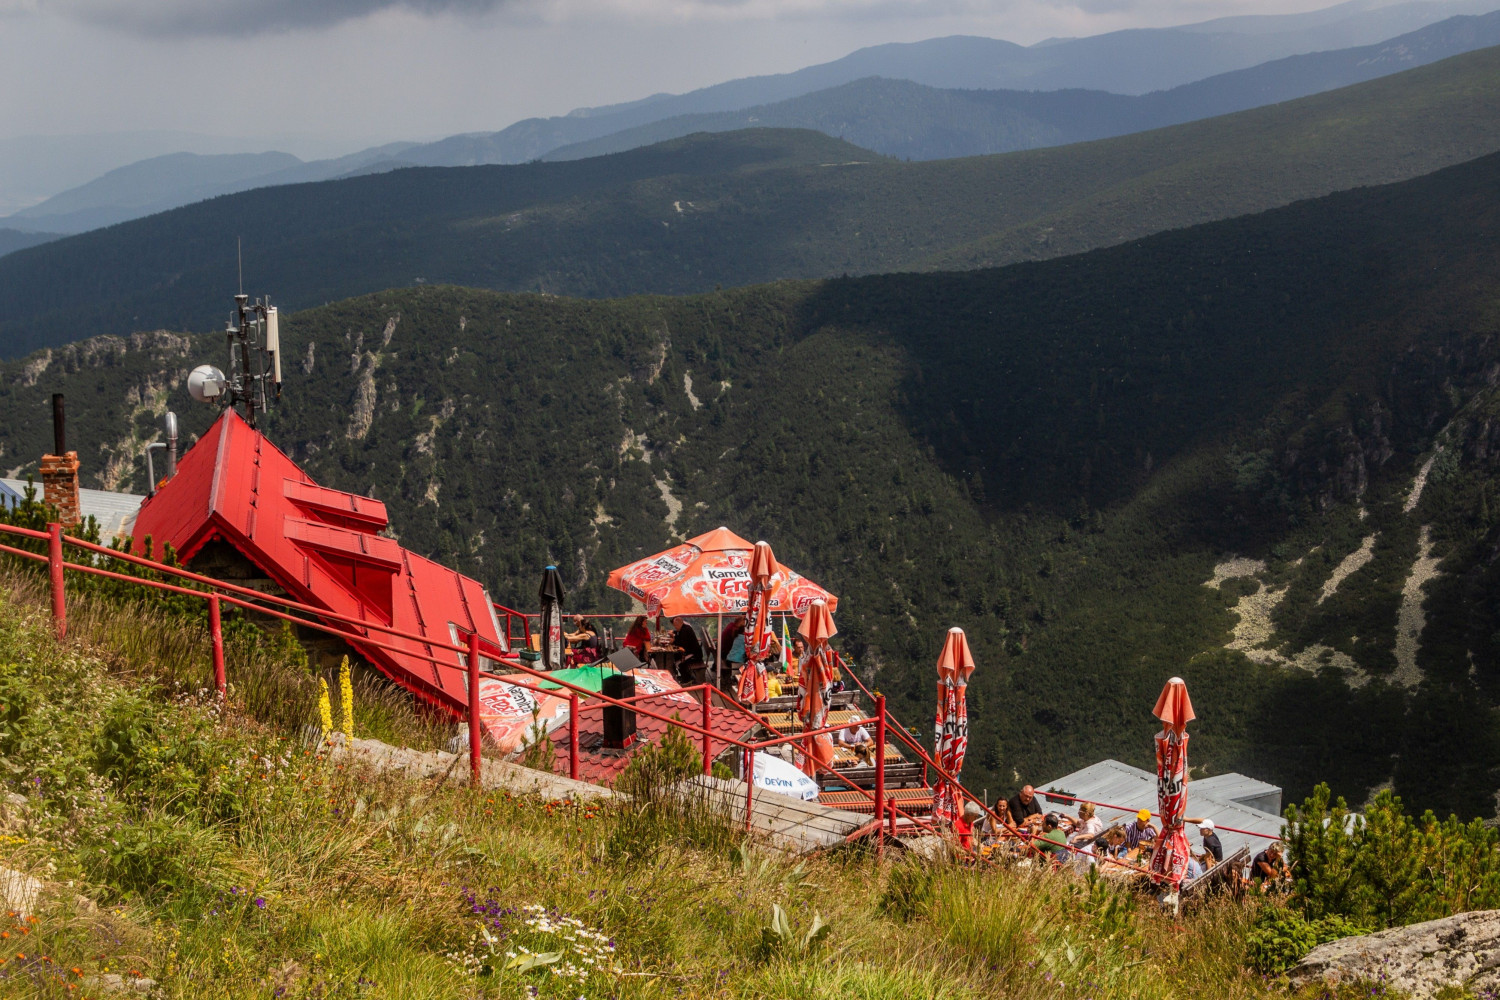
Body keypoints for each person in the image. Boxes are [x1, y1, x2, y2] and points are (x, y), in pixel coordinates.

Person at [671, 616, 704, 683]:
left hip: (694, 655)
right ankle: (685, 676)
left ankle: (686, 679)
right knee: (675, 656)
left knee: (678, 661)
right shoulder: (685, 627)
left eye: (675, 626)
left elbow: (682, 645)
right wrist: (674, 634)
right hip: (692, 652)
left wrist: (673, 641)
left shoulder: (685, 630)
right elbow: (680, 639)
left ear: (679, 624)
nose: (675, 627)